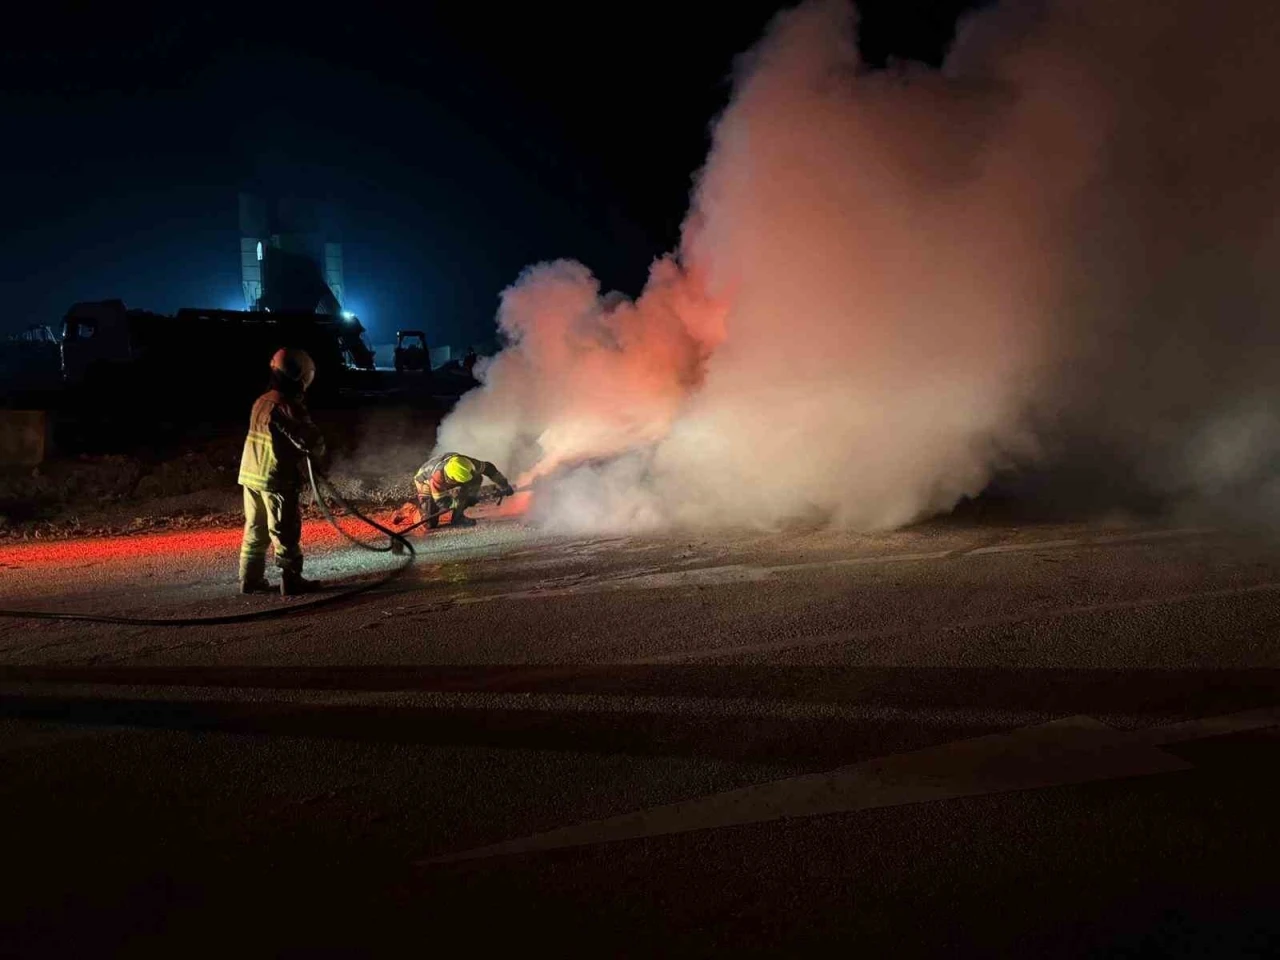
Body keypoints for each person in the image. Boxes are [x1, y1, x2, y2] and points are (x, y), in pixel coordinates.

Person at [237, 348, 327, 596]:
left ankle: (250, 579)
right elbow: (311, 442)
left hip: (251, 475)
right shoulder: (288, 406)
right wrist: (318, 452)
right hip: (276, 479)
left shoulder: (262, 401)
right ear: (301, 378)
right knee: (284, 530)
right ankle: (291, 579)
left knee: (256, 529)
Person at [413, 452, 513, 528]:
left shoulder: (468, 463)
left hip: (454, 471)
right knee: (430, 524)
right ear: (452, 479)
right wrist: (456, 503)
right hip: (424, 482)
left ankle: (458, 518)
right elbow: (441, 501)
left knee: (476, 479)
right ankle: (423, 513)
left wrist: (504, 484)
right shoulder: (437, 478)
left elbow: (489, 469)